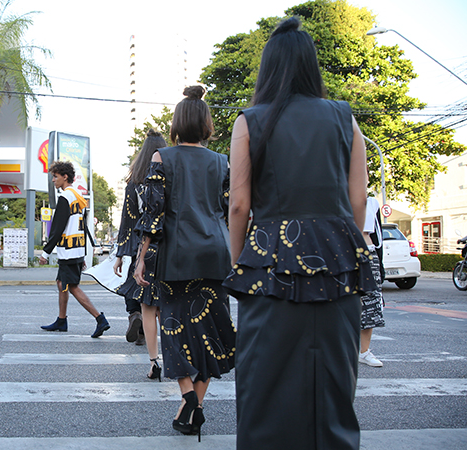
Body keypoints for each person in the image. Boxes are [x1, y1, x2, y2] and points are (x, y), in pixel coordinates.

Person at [224, 17, 374, 450]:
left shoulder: (250, 121)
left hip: (269, 261)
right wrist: (342, 241)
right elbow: (358, 201)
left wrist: (241, 259)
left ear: (268, 68)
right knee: (334, 379)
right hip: (337, 262)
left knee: (265, 381)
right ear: (312, 66)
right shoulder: (345, 119)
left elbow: (238, 205)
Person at [134, 85, 236, 441]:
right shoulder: (222, 161)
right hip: (215, 255)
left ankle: (188, 397)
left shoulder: (163, 157)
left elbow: (152, 214)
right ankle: (195, 408)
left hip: (177, 256)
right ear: (207, 124)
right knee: (209, 334)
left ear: (177, 123)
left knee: (175, 332)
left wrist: (140, 257)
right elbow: (229, 211)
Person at [114, 129, 168, 377]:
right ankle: (173, 357)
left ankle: (153, 361)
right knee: (165, 305)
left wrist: (120, 254)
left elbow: (127, 219)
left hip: (140, 245)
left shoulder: (134, 181)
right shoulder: (169, 173)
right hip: (166, 243)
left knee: (143, 298)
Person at [39, 161, 110, 338]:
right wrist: (84, 254)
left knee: (72, 287)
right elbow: (82, 227)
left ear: (65, 177)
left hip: (69, 251)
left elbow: (57, 228)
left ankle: (100, 318)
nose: (53, 180)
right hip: (76, 249)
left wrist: (45, 252)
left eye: (55, 176)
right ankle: (61, 320)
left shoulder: (65, 198)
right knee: (62, 284)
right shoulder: (77, 195)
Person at [360, 196, 385, 367]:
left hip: (369, 253)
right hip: (343, 253)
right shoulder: (336, 197)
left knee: (371, 303)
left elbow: (378, 235)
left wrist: (380, 265)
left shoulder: (372, 202)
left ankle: (364, 352)